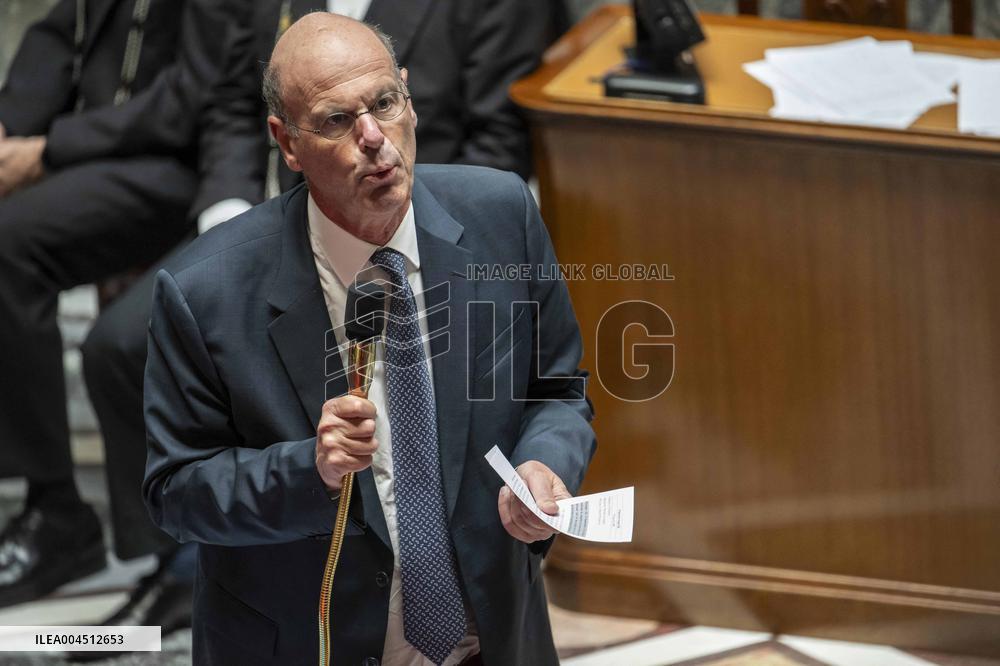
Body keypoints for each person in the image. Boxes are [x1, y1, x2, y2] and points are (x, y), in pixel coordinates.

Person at [142, 13, 594, 666]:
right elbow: (176, 492)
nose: (375, 138)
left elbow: (558, 389)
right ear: (286, 142)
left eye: (384, 103)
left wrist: (545, 463)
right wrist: (312, 470)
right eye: (336, 120)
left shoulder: (501, 215)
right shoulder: (205, 291)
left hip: (493, 641)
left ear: (408, 97)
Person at [0, 0, 232, 628]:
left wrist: (49, 150)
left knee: (8, 245)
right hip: (95, 153)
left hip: (176, 161)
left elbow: (192, 96)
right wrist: (9, 128)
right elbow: (59, 34)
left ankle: (59, 512)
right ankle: (52, 509)